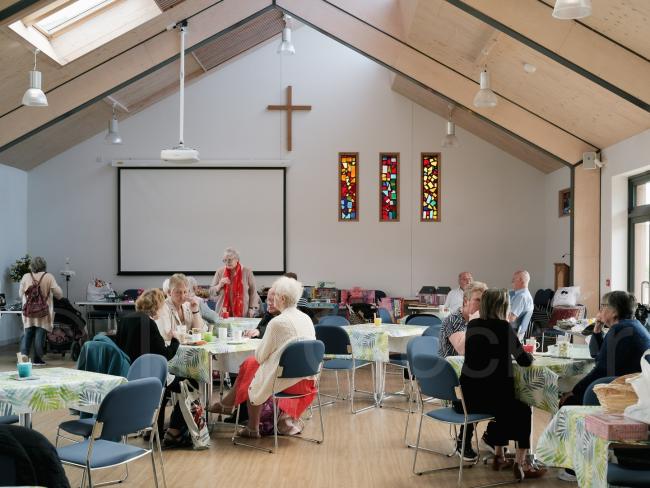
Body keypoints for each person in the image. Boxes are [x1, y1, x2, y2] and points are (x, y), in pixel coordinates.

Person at [208, 276, 316, 437]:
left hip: (286, 382)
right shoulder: (306, 318)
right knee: (252, 365)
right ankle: (237, 412)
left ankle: (250, 425)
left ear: (283, 298)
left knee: (252, 366)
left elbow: (260, 356)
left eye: (274, 296)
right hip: (307, 381)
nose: (269, 300)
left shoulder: (278, 322)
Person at [456, 288, 544, 480]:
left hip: (468, 397)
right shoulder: (504, 327)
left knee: (503, 402)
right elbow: (524, 361)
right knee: (523, 406)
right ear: (503, 306)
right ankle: (522, 464)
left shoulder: (473, 325)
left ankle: (499, 456)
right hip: (493, 400)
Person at [560, 291, 650, 407]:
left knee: (567, 402)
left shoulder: (618, 331)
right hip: (637, 389)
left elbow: (602, 371)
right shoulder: (633, 326)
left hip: (625, 394)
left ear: (614, 311)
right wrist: (597, 328)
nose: (600, 310)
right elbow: (597, 354)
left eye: (603, 306)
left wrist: (574, 391)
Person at [18, 256, 63, 366]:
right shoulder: (48, 277)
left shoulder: (26, 276)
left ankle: (23, 357)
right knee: (40, 334)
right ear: (44, 265)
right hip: (43, 312)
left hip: (28, 312)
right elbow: (59, 294)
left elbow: (20, 294)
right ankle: (37, 359)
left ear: (31, 266)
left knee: (27, 333)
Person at [116, 288, 180, 363]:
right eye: (163, 306)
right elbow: (163, 355)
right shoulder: (148, 322)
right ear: (157, 306)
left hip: (124, 367)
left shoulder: (125, 318)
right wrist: (175, 340)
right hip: (142, 369)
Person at [439, 281, 487, 358]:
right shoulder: (453, 320)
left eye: (484, 301)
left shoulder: (481, 318)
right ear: (465, 301)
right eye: (478, 300)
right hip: (452, 366)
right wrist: (473, 324)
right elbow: (462, 350)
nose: (482, 304)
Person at [156, 274, 206, 343]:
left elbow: (201, 332)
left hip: (187, 349)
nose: (182, 296)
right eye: (178, 292)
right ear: (169, 292)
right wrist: (189, 336)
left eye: (185, 292)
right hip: (169, 350)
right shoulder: (163, 307)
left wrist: (195, 311)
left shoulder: (188, 305)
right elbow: (166, 334)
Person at [209, 248, 259, 318]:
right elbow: (211, 292)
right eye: (225, 260)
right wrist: (219, 285)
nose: (227, 262)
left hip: (243, 312)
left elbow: (253, 291)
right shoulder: (220, 272)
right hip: (223, 312)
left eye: (229, 260)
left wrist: (252, 308)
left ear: (237, 259)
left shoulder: (247, 271)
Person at [508, 270, 533, 339]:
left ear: (521, 281)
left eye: (513, 280)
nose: (512, 282)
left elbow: (511, 318)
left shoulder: (521, 297)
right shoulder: (525, 295)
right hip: (516, 332)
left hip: (511, 332)